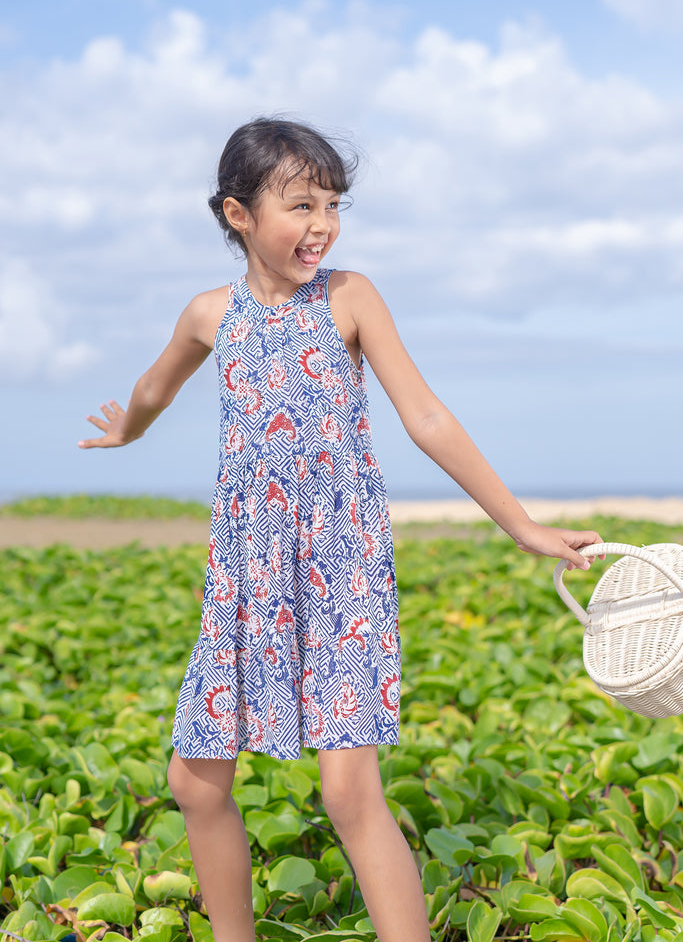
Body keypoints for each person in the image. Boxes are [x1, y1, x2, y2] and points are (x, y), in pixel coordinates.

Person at [79, 117, 602, 942]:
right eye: (300, 205)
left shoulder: (349, 297)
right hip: (246, 577)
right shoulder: (210, 315)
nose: (321, 223)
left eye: (332, 204)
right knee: (195, 782)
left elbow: (424, 417)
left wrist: (522, 525)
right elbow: (154, 385)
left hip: (341, 568)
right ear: (237, 214)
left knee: (349, 792)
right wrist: (128, 431)